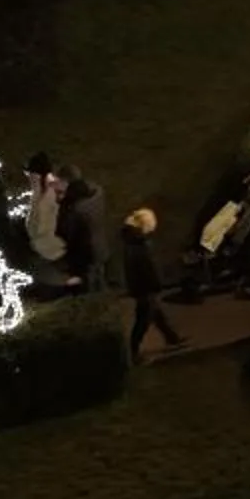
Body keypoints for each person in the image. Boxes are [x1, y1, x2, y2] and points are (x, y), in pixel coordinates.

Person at [119, 208, 185, 361]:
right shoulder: (138, 244)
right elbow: (146, 268)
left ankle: (171, 338)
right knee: (144, 319)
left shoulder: (133, 242)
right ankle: (132, 351)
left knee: (155, 313)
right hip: (144, 287)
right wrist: (154, 284)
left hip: (141, 287)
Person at [52, 165, 108, 293]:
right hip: (100, 245)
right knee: (99, 277)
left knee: (87, 286)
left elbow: (66, 232)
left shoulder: (73, 208)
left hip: (83, 254)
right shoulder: (95, 193)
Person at [23, 152, 68, 274]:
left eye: (29, 174)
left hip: (51, 250)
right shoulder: (42, 190)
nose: (27, 177)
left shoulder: (48, 195)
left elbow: (41, 227)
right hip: (47, 247)